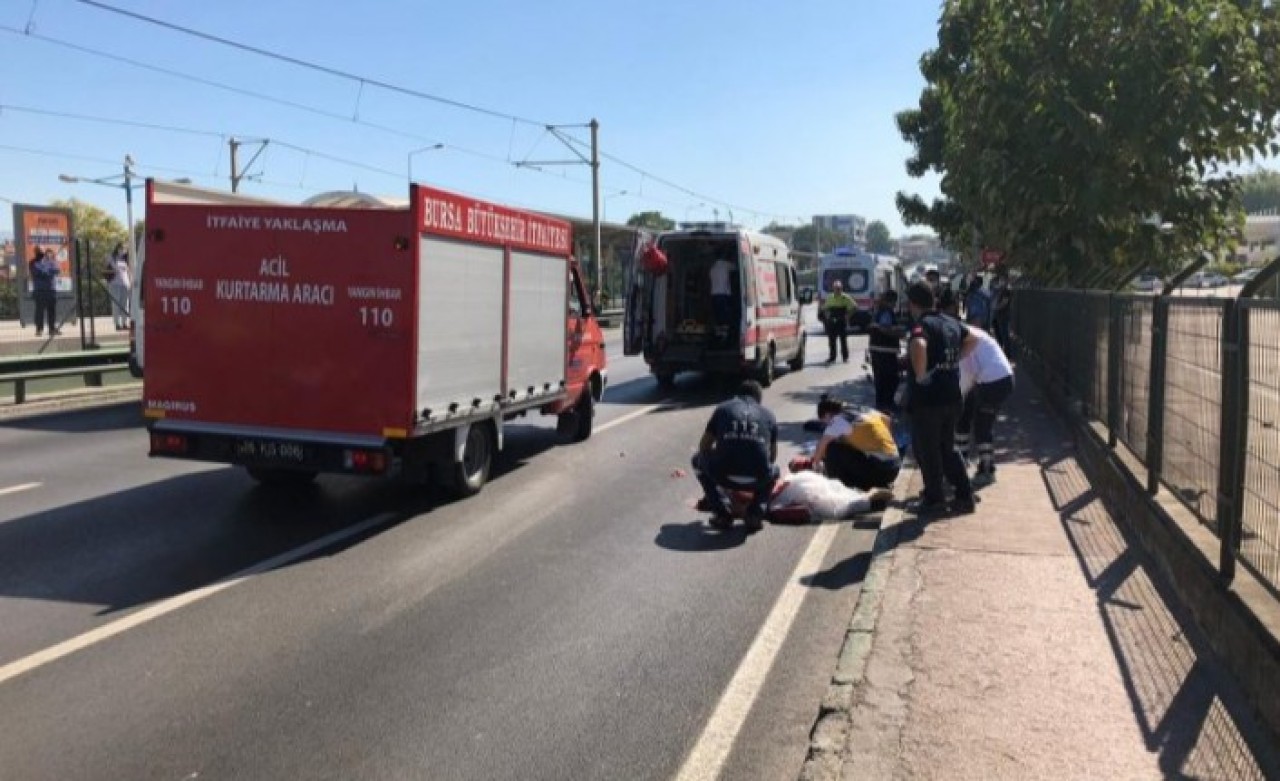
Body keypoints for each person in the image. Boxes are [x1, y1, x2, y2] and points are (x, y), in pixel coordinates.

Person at [905, 281, 976, 515]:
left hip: (929, 401)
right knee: (947, 448)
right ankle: (964, 495)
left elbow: (918, 343)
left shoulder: (922, 325)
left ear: (913, 304)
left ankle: (934, 499)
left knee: (929, 451)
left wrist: (920, 373)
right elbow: (973, 339)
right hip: (952, 397)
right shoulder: (950, 322)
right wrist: (954, 361)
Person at [692, 380, 779, 533]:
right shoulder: (769, 415)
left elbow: (703, 447)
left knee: (696, 460)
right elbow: (772, 457)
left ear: (737, 395)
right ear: (758, 399)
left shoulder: (722, 409)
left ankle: (721, 513)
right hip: (758, 478)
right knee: (775, 470)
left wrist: (724, 450)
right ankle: (756, 512)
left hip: (722, 475)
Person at [957, 326, 1015, 486]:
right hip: (998, 379)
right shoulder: (976, 335)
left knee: (982, 425)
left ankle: (987, 470)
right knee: (967, 416)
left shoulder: (966, 344)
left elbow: (968, 375)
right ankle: (962, 459)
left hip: (993, 382)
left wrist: (957, 396)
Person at [811, 395, 901, 490]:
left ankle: (840, 487)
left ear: (827, 415)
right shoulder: (863, 410)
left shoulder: (837, 421)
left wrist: (815, 466)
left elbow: (822, 446)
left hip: (881, 472)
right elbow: (887, 419)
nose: (826, 425)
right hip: (894, 467)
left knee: (832, 449)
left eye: (825, 422)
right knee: (845, 446)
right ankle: (874, 482)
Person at [867, 290, 904, 413]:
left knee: (881, 379)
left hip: (877, 350)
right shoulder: (886, 312)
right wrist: (899, 332)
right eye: (893, 301)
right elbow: (885, 328)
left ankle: (882, 404)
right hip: (885, 351)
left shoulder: (878, 310)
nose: (894, 304)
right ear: (890, 301)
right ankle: (887, 404)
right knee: (891, 379)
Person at [28, 247, 60, 337]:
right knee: (39, 311)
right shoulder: (33, 262)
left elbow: (57, 270)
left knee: (52, 311)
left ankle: (52, 329)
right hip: (39, 290)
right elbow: (38, 273)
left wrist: (48, 270)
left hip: (51, 290)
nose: (41, 253)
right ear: (35, 252)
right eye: (38, 251)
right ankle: (39, 329)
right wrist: (48, 271)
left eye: (42, 251)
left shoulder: (50, 261)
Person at [821, 280, 855, 363]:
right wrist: (827, 316)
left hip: (841, 321)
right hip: (832, 321)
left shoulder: (845, 297)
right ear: (833, 289)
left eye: (839, 288)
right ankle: (832, 357)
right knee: (832, 341)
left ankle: (845, 357)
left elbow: (854, 307)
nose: (837, 290)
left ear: (841, 288)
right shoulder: (830, 297)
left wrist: (848, 315)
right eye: (836, 288)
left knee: (843, 340)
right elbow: (825, 308)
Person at [708, 254, 736, 344]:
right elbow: (736, 267)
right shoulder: (725, 265)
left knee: (718, 317)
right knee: (726, 318)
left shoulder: (712, 268)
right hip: (724, 295)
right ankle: (725, 337)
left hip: (714, 295)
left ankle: (718, 336)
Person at [108, 243, 133, 331]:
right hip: (115, 284)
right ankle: (117, 324)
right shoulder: (112, 257)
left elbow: (129, 271)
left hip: (125, 284)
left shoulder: (125, 259)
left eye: (124, 249)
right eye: (121, 248)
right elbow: (113, 267)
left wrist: (131, 282)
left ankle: (124, 323)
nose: (123, 250)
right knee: (116, 304)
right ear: (117, 248)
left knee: (125, 304)